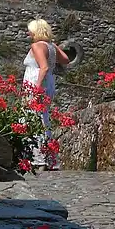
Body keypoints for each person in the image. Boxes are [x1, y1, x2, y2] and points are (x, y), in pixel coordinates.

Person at [23, 19, 70, 171]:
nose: (28, 33)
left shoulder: (36, 46)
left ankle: (37, 158)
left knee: (33, 118)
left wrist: (36, 88)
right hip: (49, 82)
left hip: (37, 82)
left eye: (30, 30)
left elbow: (43, 67)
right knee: (43, 118)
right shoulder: (51, 46)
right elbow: (66, 59)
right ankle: (48, 157)